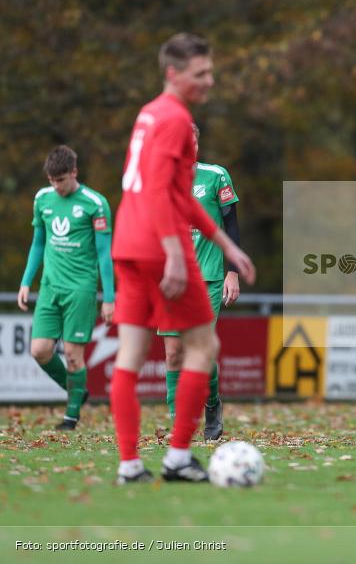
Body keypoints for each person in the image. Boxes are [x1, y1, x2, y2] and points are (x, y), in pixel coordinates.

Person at [110, 33, 255, 484]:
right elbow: (159, 192)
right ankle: (176, 457)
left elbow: (173, 191)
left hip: (128, 245)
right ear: (174, 74)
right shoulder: (175, 118)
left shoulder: (150, 113)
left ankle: (130, 464)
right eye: (201, 74)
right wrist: (175, 254)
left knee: (131, 357)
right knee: (204, 347)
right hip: (158, 250)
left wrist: (225, 243)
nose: (210, 81)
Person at [17, 145, 115, 430]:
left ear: (74, 172)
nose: (56, 186)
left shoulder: (95, 203)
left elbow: (103, 255)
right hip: (49, 288)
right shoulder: (42, 199)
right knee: (40, 350)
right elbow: (38, 243)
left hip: (80, 290)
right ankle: (77, 392)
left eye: (61, 180)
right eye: (51, 180)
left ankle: (71, 417)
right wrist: (26, 281)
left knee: (73, 356)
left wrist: (108, 298)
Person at [157, 123, 241, 441]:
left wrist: (232, 271)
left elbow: (231, 225)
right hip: (171, 278)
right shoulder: (162, 180)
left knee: (199, 349)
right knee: (174, 352)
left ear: (196, 142)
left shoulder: (215, 175)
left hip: (207, 276)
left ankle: (211, 403)